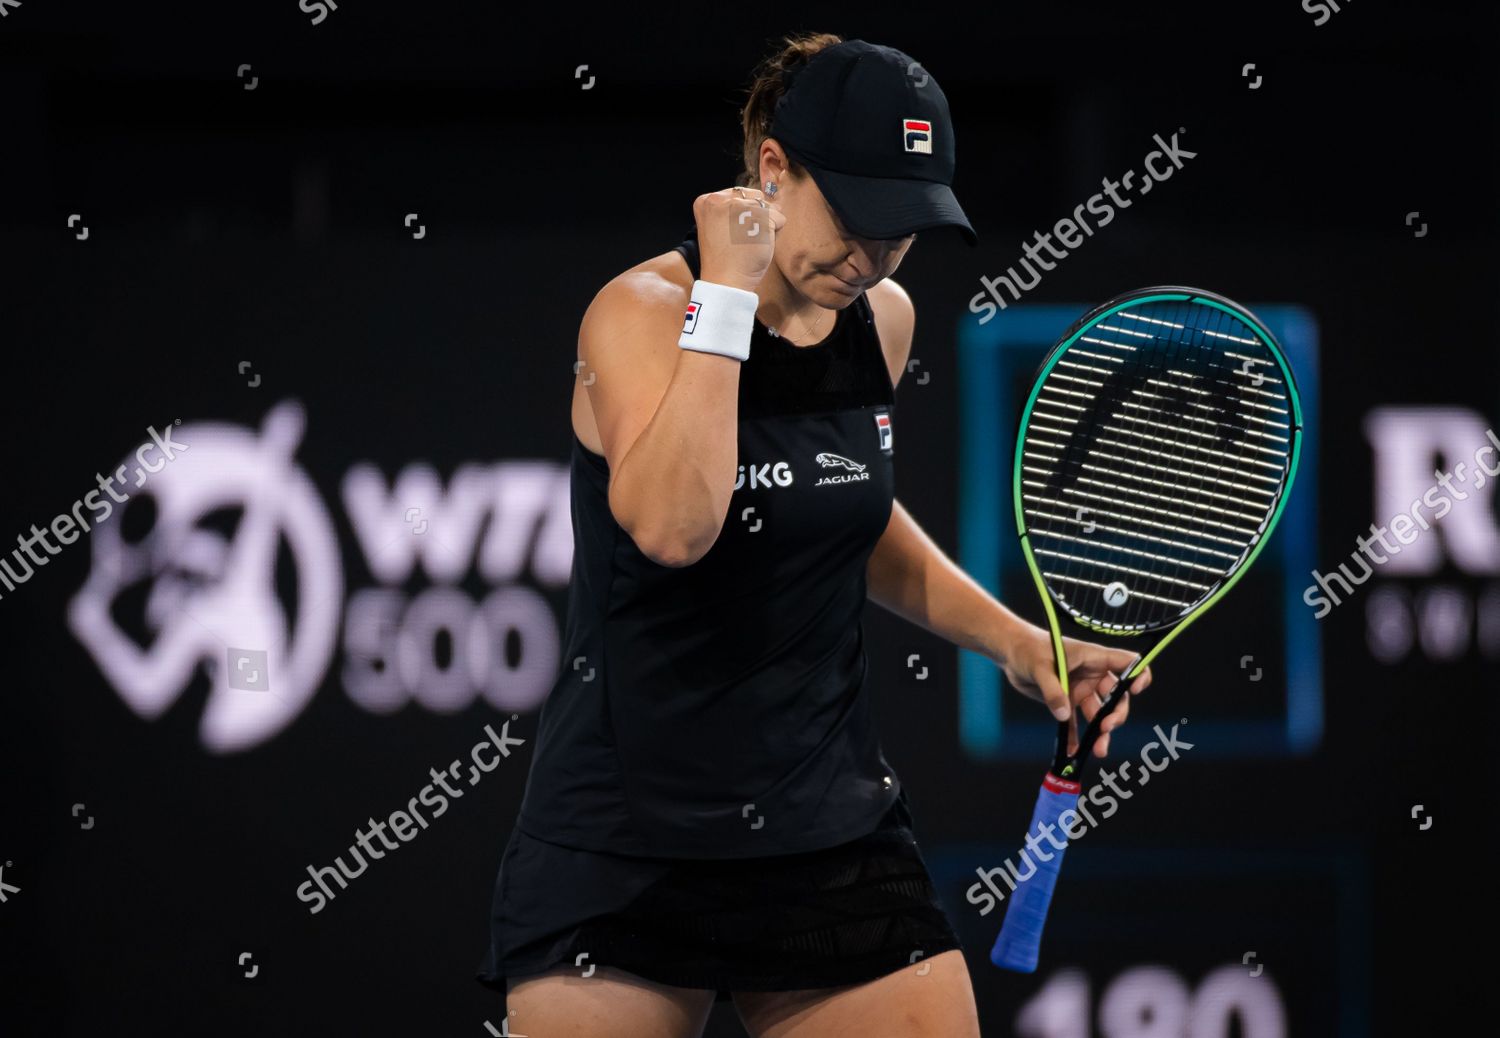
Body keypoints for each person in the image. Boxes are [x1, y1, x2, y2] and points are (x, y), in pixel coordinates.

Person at [477, 33, 1152, 1038]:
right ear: (772, 170)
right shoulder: (640, 313)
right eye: (862, 217)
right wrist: (728, 302)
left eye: (905, 229)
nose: (874, 256)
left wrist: (1020, 644)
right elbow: (674, 526)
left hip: (828, 831)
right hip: (621, 844)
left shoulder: (879, 316)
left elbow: (848, 513)